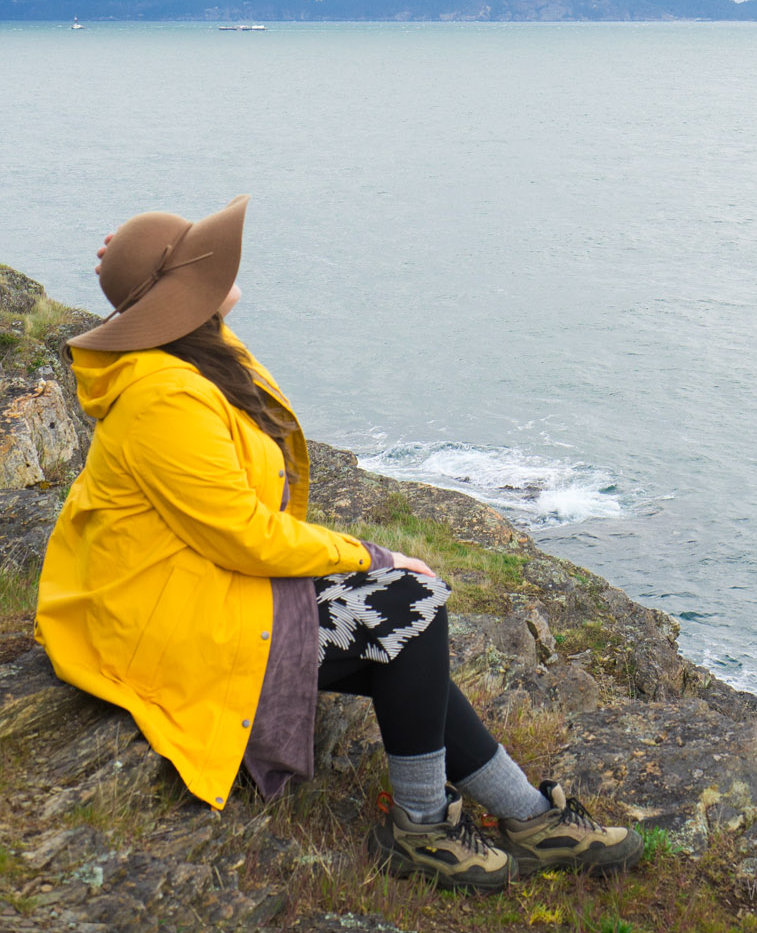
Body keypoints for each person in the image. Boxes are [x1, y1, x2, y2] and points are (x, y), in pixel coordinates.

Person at [35, 196, 642, 892]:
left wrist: (141, 267)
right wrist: (374, 557)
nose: (228, 261)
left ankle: (527, 817)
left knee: (407, 632)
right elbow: (242, 535)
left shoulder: (197, 354)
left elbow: (235, 510)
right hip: (165, 618)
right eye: (207, 260)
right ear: (183, 295)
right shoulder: (164, 396)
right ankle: (425, 827)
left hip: (199, 583)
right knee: (408, 603)